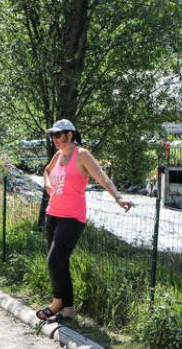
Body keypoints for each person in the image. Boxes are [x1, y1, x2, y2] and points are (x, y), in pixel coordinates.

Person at [35, 119, 132, 321]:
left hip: (72, 217)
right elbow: (46, 171)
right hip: (52, 213)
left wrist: (118, 197)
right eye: (52, 135)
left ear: (70, 135)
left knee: (54, 259)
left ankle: (57, 302)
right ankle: (68, 309)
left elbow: (102, 177)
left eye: (58, 135)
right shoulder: (59, 154)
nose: (54, 139)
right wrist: (47, 184)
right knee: (60, 262)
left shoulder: (82, 155)